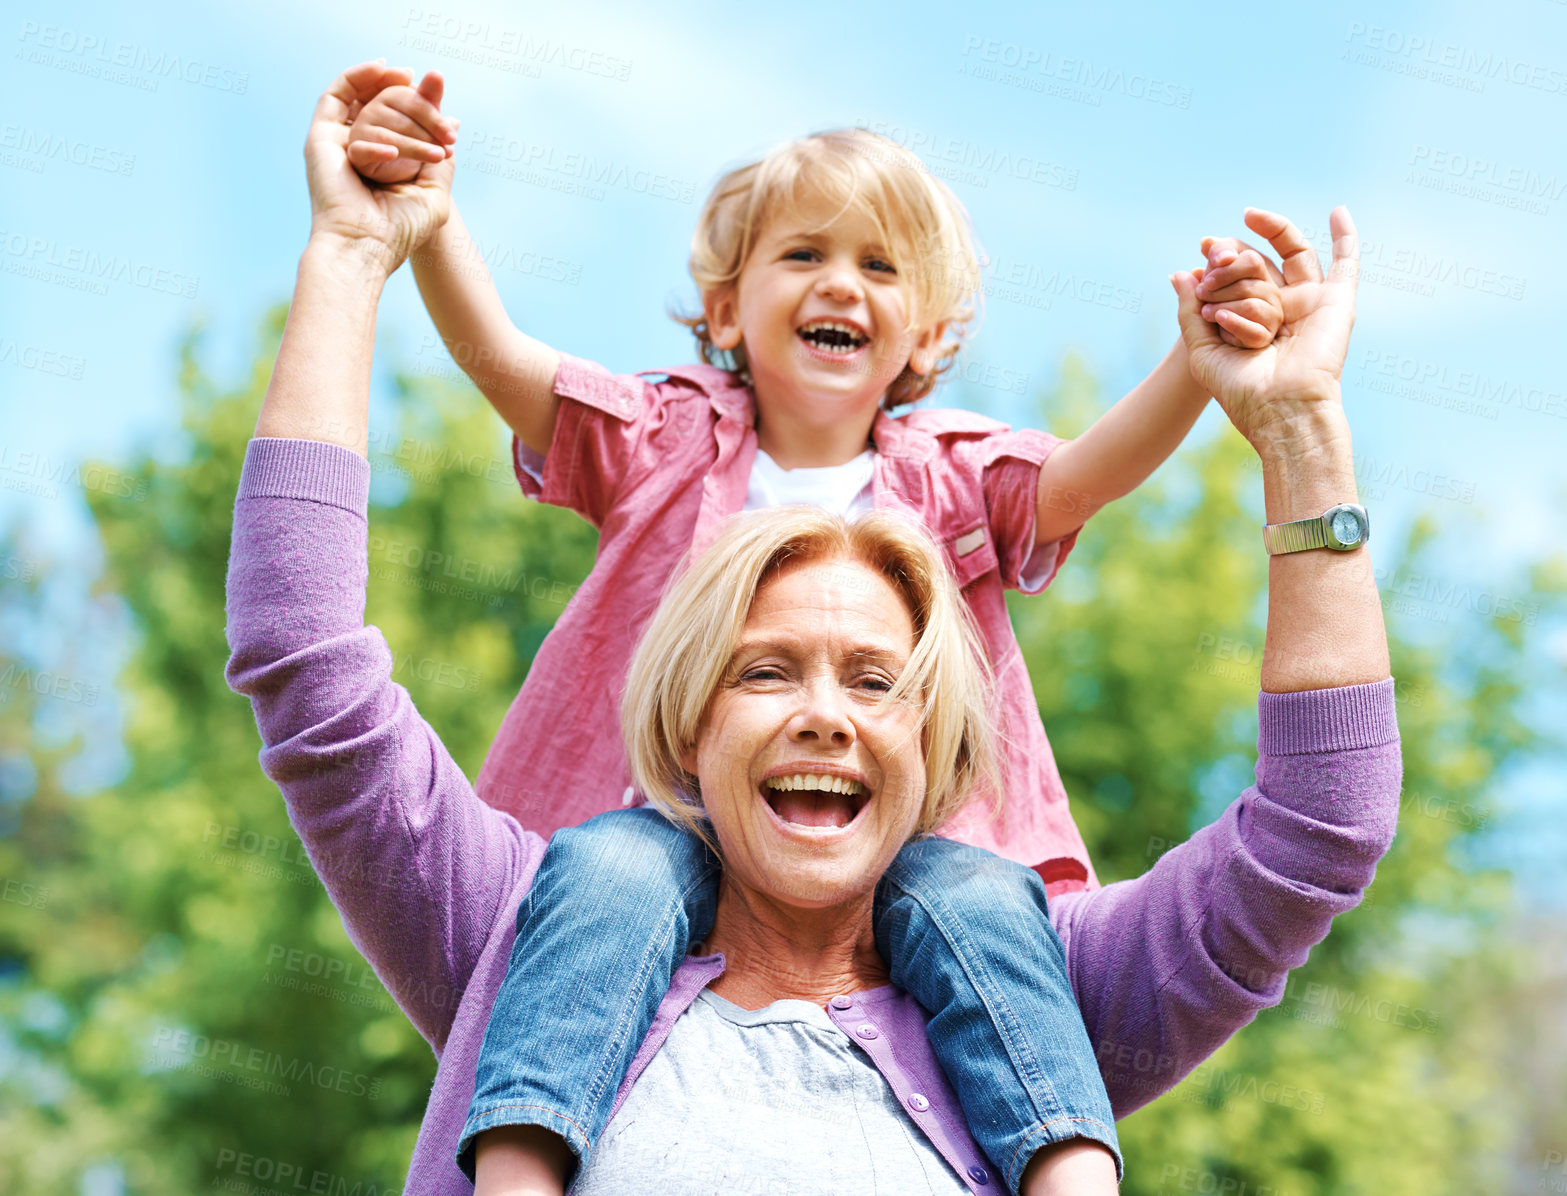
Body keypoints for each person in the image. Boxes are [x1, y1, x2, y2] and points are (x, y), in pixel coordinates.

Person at [226, 63, 1402, 1196]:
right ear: (682, 704)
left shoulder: (1017, 968)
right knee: (618, 864)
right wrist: (381, 243)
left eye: (877, 678)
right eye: (763, 666)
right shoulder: (537, 931)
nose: (823, 715)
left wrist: (1271, 410)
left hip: (958, 885)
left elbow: (1312, 821)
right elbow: (316, 642)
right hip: (619, 846)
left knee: (977, 896)